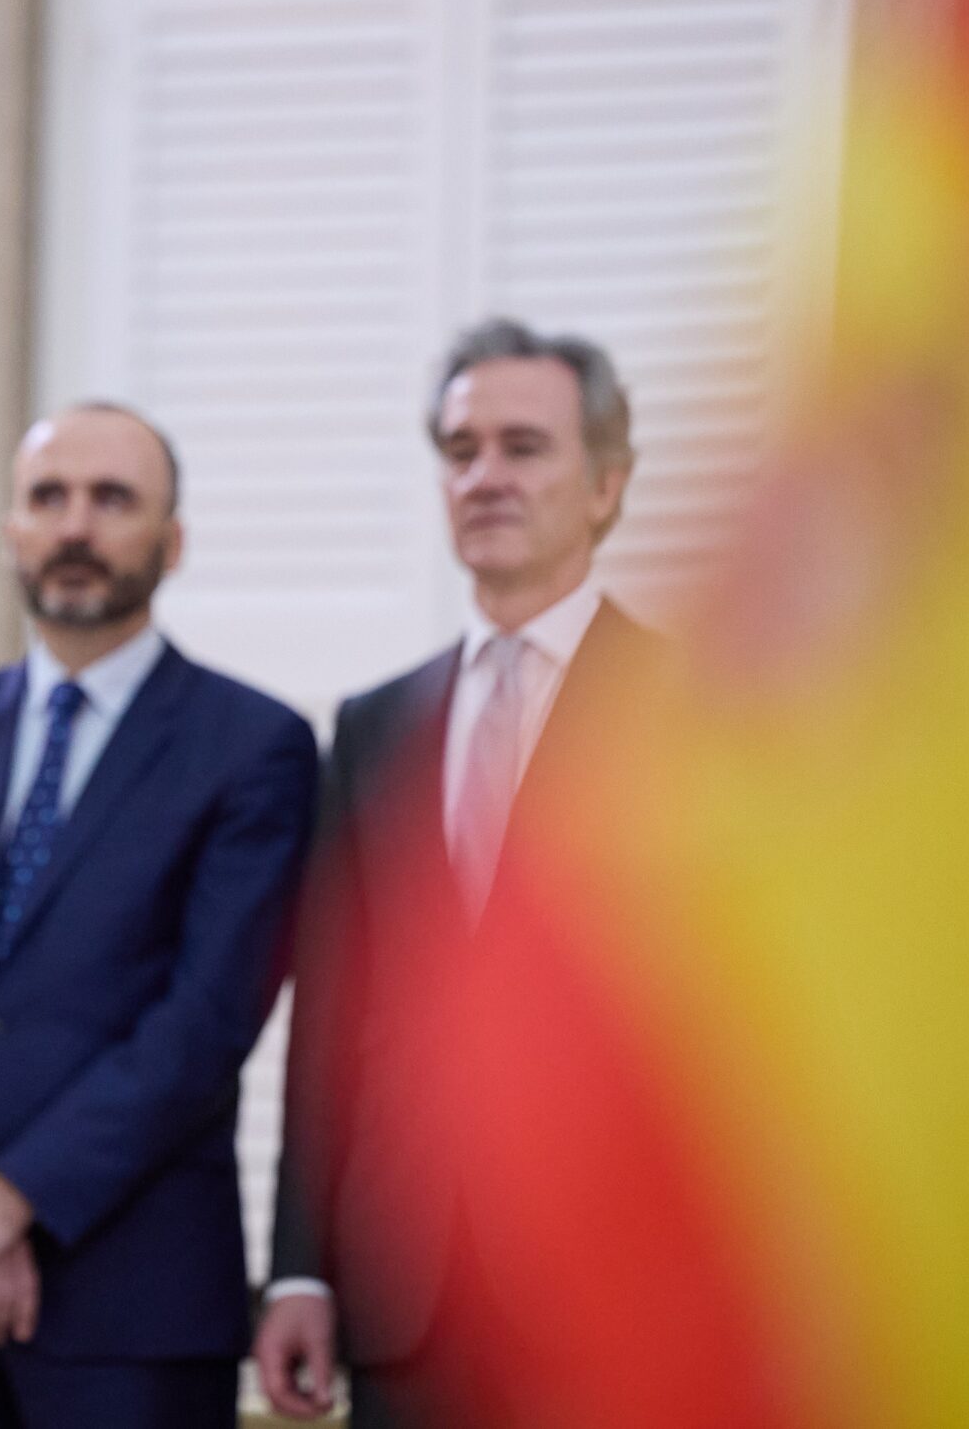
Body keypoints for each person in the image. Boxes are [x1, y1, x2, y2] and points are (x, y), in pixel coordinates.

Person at [0, 404, 318, 1429]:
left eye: (113, 499)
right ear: (11, 529)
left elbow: (208, 1018)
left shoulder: (254, 745)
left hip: (131, 1306)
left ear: (172, 541)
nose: (76, 526)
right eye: (48, 498)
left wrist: (13, 1199)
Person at [255, 320, 668, 1428]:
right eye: (460, 450)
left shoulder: (694, 712)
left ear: (606, 485)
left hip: (612, 1293)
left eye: (523, 447)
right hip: (408, 1293)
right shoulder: (377, 725)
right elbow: (332, 1016)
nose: (485, 475)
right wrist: (300, 1268)